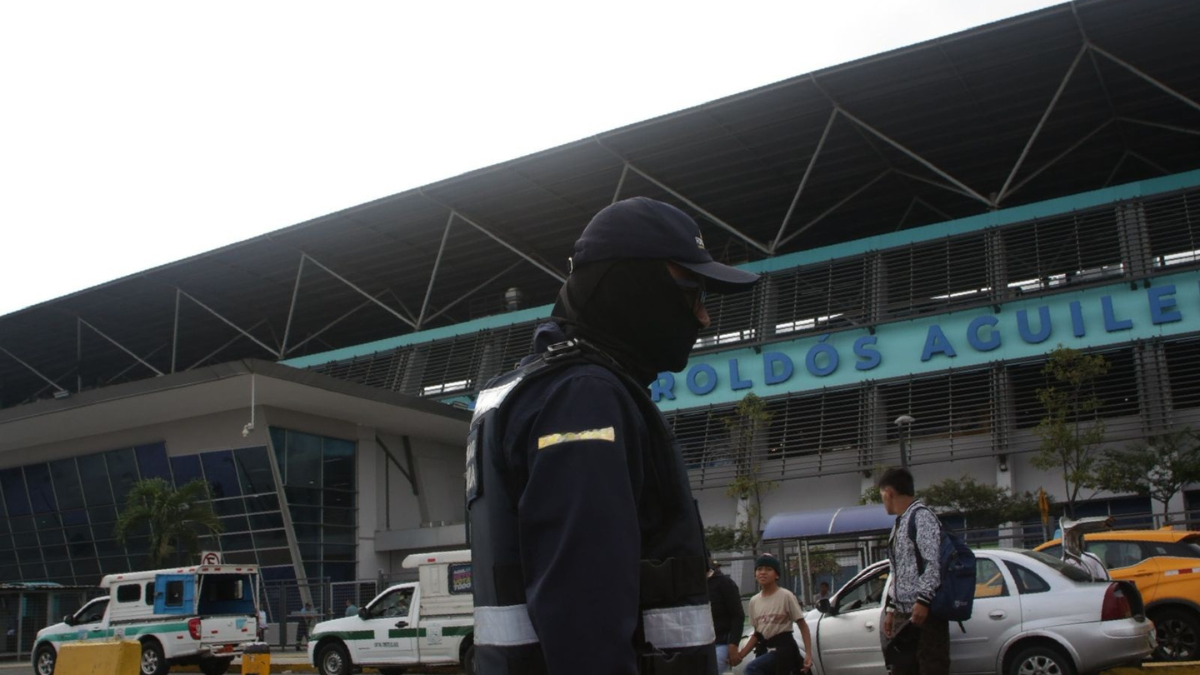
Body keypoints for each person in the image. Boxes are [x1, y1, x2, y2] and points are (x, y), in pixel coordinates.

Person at [468, 197, 761, 675]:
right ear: (631, 286)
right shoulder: (583, 397)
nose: (703, 318)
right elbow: (584, 611)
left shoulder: (538, 389)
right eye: (691, 291)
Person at [879, 467, 950, 675]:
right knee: (903, 667)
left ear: (889, 492)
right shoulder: (899, 523)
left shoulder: (922, 517)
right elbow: (896, 569)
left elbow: (932, 562)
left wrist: (923, 600)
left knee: (931, 666)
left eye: (881, 494)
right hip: (904, 613)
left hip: (924, 613)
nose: (882, 500)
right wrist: (891, 609)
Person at [734, 554, 813, 674]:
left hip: (783, 648)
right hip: (765, 648)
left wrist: (808, 653)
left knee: (752, 669)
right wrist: (740, 655)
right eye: (759, 569)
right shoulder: (754, 601)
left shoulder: (786, 596)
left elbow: (802, 625)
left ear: (777, 575)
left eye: (768, 569)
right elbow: (757, 634)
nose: (763, 572)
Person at [708, 559, 745, 674]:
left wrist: (733, 645)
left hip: (722, 642)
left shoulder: (724, 583)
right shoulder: (692, 584)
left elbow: (737, 615)